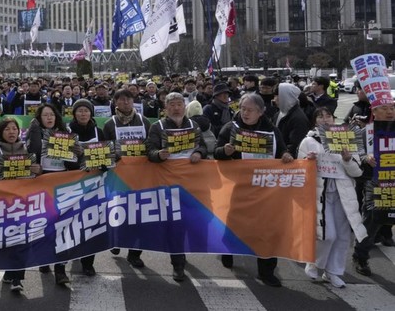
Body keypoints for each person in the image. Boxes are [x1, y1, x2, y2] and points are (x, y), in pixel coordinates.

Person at [214, 93, 294, 288]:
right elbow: (215, 153)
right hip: (238, 188)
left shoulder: (272, 130)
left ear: (261, 112)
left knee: (266, 229)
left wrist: (285, 155)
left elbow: (282, 150)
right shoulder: (230, 128)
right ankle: (228, 251)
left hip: (265, 189)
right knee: (234, 223)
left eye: (250, 110)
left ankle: (267, 271)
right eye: (243, 109)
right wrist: (225, 151)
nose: (245, 113)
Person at [298, 107, 365, 288]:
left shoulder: (347, 139)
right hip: (320, 194)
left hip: (344, 194)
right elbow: (300, 172)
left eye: (328, 116)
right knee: (327, 235)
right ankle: (314, 263)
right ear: (314, 121)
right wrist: (308, 162)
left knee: (343, 237)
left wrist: (348, 159)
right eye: (320, 116)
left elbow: (358, 172)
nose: (325, 119)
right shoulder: (308, 141)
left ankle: (333, 272)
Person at [146, 92, 207, 282]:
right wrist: (158, 154)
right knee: (175, 224)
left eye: (179, 104)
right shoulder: (158, 126)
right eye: (172, 104)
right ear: (166, 108)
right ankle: (177, 264)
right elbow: (149, 150)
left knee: (188, 222)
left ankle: (181, 254)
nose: (176, 107)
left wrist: (199, 152)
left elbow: (204, 146)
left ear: (184, 106)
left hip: (191, 183)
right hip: (167, 183)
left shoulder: (193, 125)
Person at [0, 118, 41, 293]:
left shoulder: (27, 149)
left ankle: (17, 277)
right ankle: (9, 271)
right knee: (6, 240)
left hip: (22, 202)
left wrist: (38, 170)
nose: (11, 132)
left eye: (14, 128)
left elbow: (34, 175)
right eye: (7, 129)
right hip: (1, 203)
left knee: (21, 240)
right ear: (1, 132)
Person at [25, 103, 80, 285]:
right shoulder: (34, 133)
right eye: (45, 115)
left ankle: (60, 270)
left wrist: (74, 153)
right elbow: (28, 155)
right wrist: (34, 167)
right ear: (39, 118)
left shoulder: (67, 133)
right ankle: (44, 258)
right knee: (44, 227)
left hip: (63, 183)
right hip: (41, 183)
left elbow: (74, 162)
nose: (49, 118)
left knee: (62, 227)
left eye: (52, 115)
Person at [102, 89, 151, 267]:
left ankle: (135, 253)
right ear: (116, 103)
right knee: (117, 211)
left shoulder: (144, 121)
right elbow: (104, 149)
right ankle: (115, 240)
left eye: (129, 100)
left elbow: (150, 145)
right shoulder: (109, 124)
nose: (126, 103)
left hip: (140, 177)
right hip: (118, 177)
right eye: (122, 100)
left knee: (139, 215)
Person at [352, 100, 395, 276]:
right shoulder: (366, 132)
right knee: (372, 222)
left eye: (392, 108)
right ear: (374, 112)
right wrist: (365, 158)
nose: (390, 111)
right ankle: (360, 257)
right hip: (375, 182)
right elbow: (358, 152)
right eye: (384, 108)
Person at [66, 99, 108, 277]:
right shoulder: (66, 131)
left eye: (86, 111)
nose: (83, 114)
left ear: (91, 113)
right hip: (70, 184)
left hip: (93, 185)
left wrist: (104, 163)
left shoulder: (99, 131)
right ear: (74, 113)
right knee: (68, 223)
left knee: (91, 223)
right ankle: (62, 258)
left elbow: (109, 155)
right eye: (80, 111)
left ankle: (88, 263)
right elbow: (61, 158)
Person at [273, 83, 310, 158]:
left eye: (277, 96)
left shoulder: (298, 118)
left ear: (285, 97)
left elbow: (296, 144)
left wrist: (284, 153)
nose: (274, 99)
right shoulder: (279, 113)